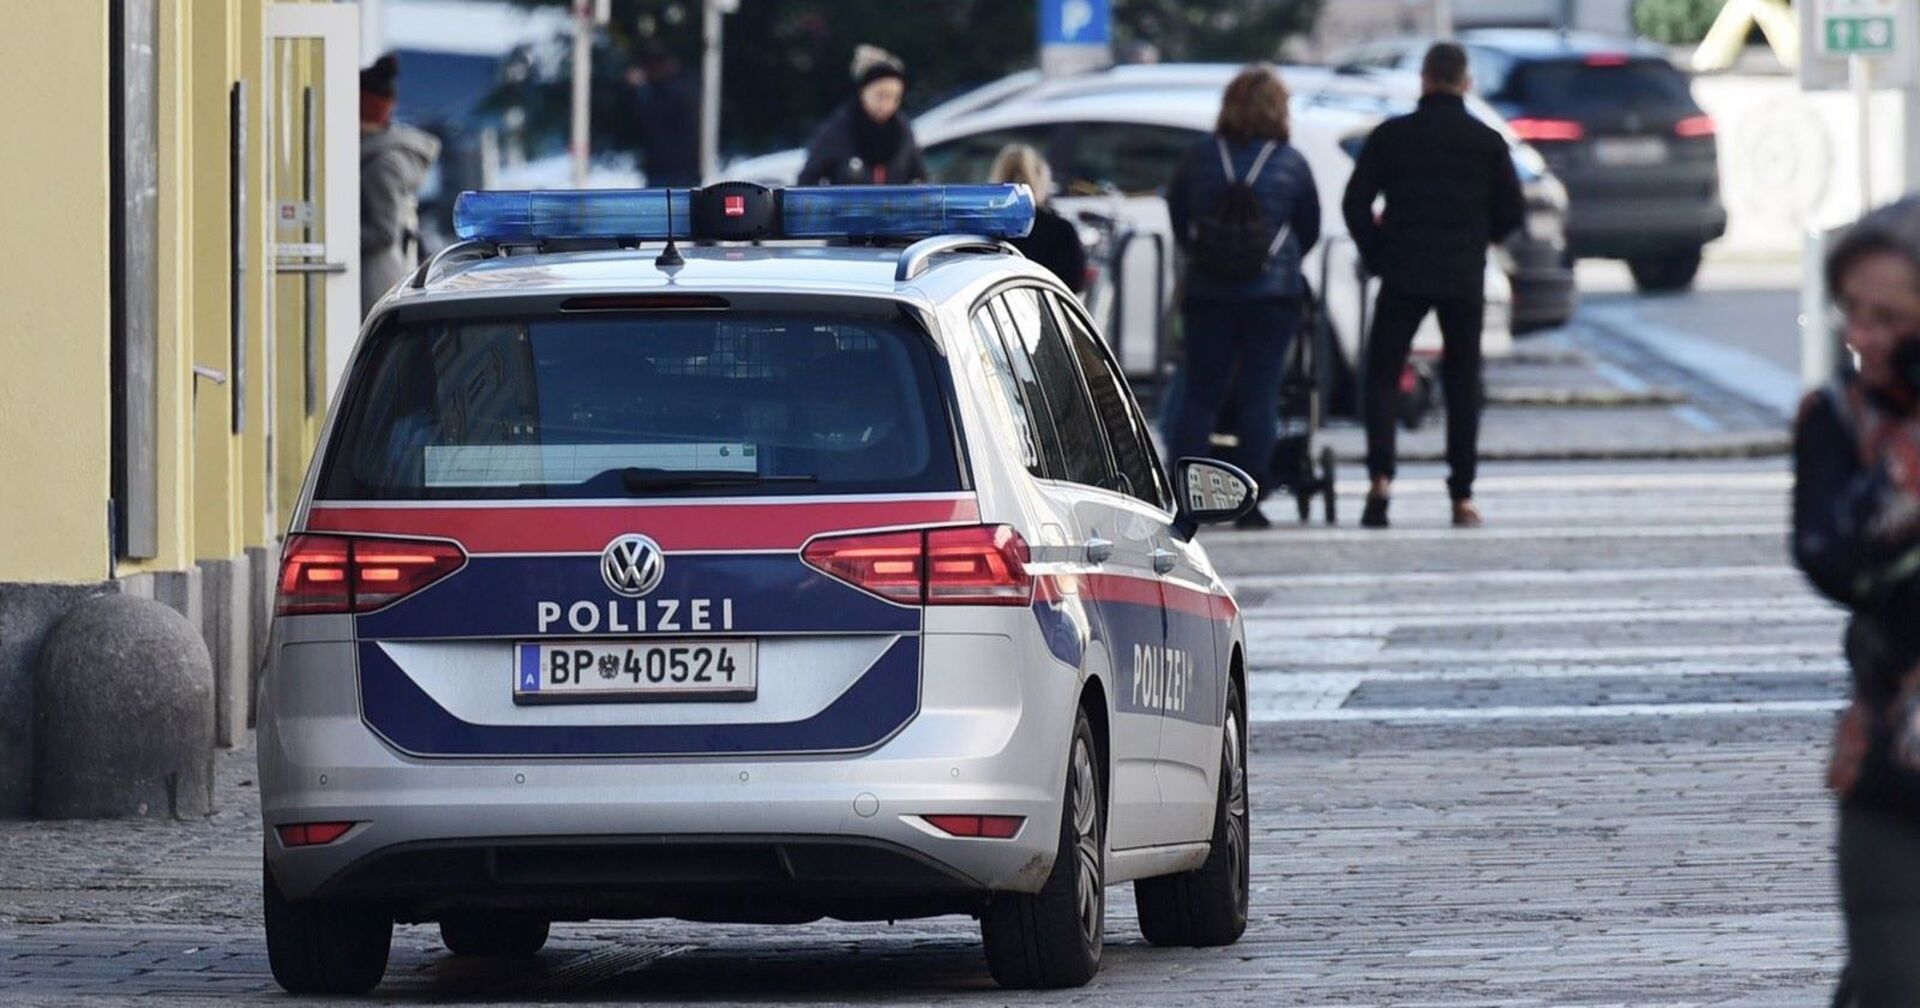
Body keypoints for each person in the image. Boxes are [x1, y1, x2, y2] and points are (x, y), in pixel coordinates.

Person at [1792, 196, 1920, 1008]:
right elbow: (1831, 558)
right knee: (1892, 979)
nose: (1861, 337)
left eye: (1889, 317)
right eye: (1852, 314)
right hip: (1893, 765)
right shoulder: (1836, 419)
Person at [1342, 41, 1523, 529]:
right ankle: (1462, 494)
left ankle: (1380, 481)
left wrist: (1379, 252)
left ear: (1424, 79)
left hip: (1402, 270)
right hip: (1462, 273)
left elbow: (1355, 202)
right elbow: (1512, 212)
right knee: (1463, 381)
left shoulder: (1392, 136)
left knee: (1382, 374)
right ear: (1466, 82)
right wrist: (1478, 239)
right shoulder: (1486, 141)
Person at [1165, 64, 1320, 529]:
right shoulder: (1290, 162)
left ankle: (1189, 496)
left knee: (1201, 394)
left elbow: (1178, 216)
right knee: (1260, 395)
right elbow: (1307, 227)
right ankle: (1250, 500)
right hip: (1272, 296)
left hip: (1208, 291)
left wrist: (1205, 257)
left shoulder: (1200, 156)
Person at [359, 55, 440, 314]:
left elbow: (384, 232)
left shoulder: (382, 165)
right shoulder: (380, 155)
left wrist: (336, 239)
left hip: (371, 283)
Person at [798, 45, 927, 186]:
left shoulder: (902, 130)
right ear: (863, 92)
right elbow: (808, 181)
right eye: (880, 96)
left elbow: (919, 177)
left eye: (894, 98)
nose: (886, 105)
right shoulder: (839, 130)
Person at [989, 143, 1086, 294]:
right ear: (1042, 179)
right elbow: (1073, 285)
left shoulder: (983, 229)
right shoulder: (1060, 231)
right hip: (1038, 315)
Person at [625, 44, 700, 188]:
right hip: (666, 168)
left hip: (677, 170)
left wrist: (641, 90)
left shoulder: (677, 90)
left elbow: (654, 121)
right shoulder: (669, 88)